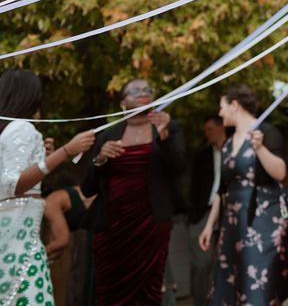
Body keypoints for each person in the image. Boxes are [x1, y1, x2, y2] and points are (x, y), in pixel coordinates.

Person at [82, 78, 186, 306]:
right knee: (110, 289)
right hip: (112, 225)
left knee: (148, 290)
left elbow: (178, 168)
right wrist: (99, 159)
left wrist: (165, 135)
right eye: (135, 90)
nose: (143, 93)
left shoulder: (169, 128)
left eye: (148, 89)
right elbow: (87, 187)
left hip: (152, 223)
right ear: (122, 103)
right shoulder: (108, 135)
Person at [199, 85, 288, 305]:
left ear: (235, 105)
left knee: (259, 277)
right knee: (231, 282)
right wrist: (210, 226)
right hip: (233, 223)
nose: (220, 113)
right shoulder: (228, 144)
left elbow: (280, 172)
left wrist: (260, 149)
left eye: (222, 107)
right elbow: (222, 188)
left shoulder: (266, 132)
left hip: (263, 218)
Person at [0, 69, 95, 305]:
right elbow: (14, 184)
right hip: (18, 234)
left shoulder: (7, 130)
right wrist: (66, 151)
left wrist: (41, 159)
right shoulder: (23, 128)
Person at [187, 115, 226, 306]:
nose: (207, 134)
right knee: (200, 263)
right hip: (203, 212)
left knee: (224, 261)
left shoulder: (234, 150)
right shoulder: (201, 157)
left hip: (228, 211)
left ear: (220, 127)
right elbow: (194, 189)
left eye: (210, 129)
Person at [44, 185, 96, 305]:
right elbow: (57, 247)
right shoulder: (57, 197)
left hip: (90, 241)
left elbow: (62, 240)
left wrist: (35, 255)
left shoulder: (49, 204)